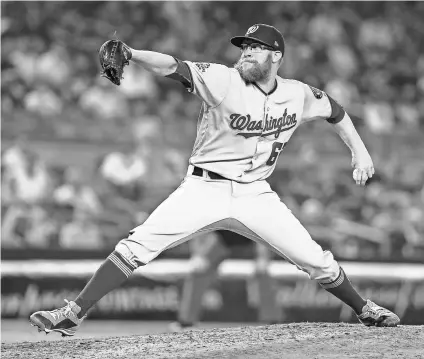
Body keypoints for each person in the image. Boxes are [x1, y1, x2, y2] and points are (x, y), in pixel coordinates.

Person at [29, 23, 399, 337]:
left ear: (276, 57)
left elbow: (336, 111)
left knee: (316, 260)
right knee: (136, 245)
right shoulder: (222, 79)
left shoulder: (297, 94)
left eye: (257, 48)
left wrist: (360, 151)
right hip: (204, 188)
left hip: (256, 193)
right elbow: (173, 66)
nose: (247, 53)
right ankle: (73, 313)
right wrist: (132, 53)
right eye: (245, 47)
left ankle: (363, 308)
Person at [169, 230, 282, 332]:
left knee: (263, 271)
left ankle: (272, 323)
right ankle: (187, 322)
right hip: (222, 242)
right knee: (199, 271)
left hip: (254, 239)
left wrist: (262, 257)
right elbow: (201, 228)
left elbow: (260, 226)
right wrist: (199, 255)